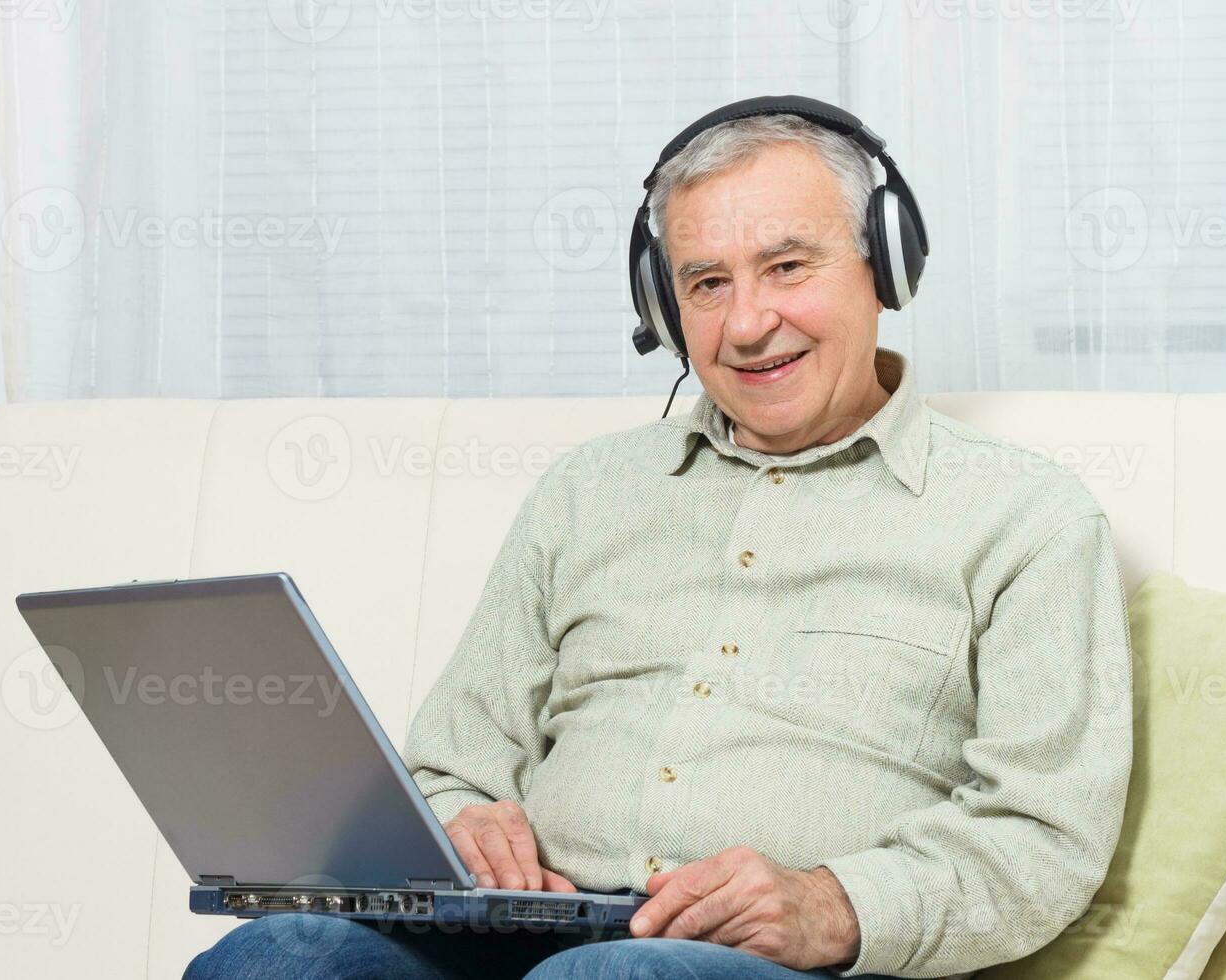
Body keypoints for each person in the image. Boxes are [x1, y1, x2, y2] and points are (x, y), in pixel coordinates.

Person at [185, 97, 1133, 980]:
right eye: (707, 284)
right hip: (526, 940)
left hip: (775, 965)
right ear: (662, 305)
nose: (751, 323)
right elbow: (452, 759)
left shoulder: (1025, 517)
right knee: (278, 953)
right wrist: (462, 823)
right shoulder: (586, 493)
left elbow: (1044, 834)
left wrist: (831, 904)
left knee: (613, 975)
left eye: (788, 266)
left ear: (883, 266)